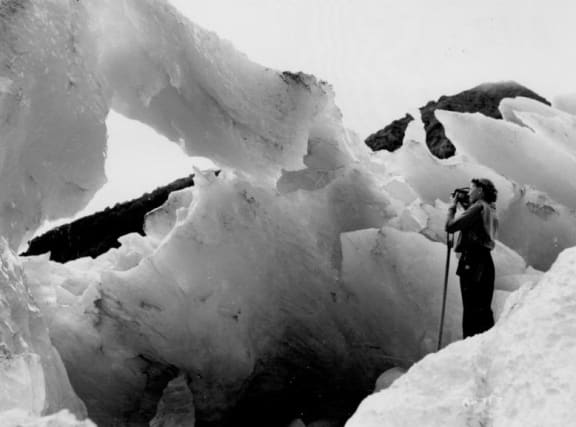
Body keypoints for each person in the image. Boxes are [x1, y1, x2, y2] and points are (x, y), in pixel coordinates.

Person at [445, 178, 498, 338]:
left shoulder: (478, 207)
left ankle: (468, 345)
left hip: (472, 262)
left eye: (471, 189)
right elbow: (475, 222)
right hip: (485, 262)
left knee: (470, 311)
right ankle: (487, 344)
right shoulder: (490, 208)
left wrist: (452, 207)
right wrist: (466, 205)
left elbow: (450, 226)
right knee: (483, 310)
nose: (469, 193)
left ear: (480, 190)